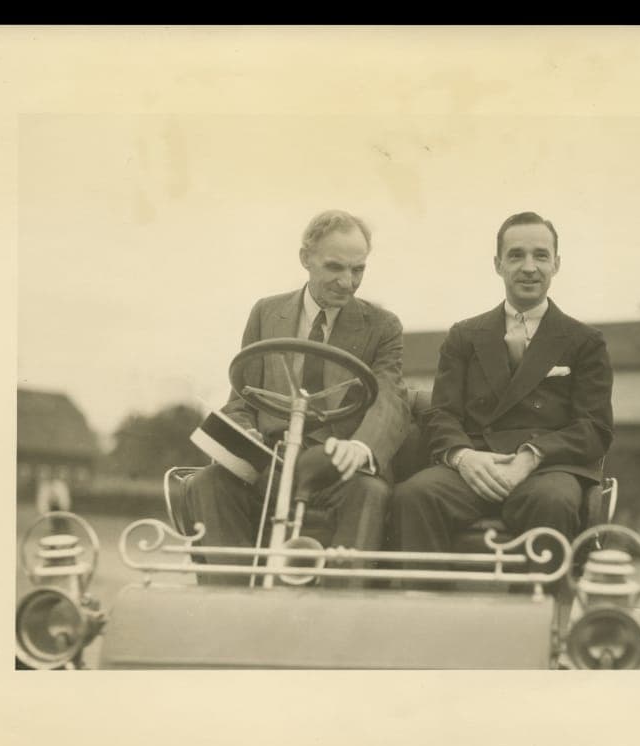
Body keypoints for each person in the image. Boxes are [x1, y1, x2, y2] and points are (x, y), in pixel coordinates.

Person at [184, 209, 411, 584]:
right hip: (270, 464)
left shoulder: (383, 327)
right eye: (334, 267)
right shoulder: (266, 313)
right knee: (207, 482)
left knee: (369, 491)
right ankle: (234, 604)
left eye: (358, 270)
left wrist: (361, 448)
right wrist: (245, 433)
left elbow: (390, 398)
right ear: (305, 258)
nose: (347, 282)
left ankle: (337, 616)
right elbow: (242, 397)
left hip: (338, 467)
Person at [390, 211, 613, 556]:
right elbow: (442, 413)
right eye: (516, 255)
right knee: (414, 496)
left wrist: (531, 457)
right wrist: (464, 457)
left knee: (554, 502)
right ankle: (424, 605)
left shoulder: (584, 341)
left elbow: (594, 427)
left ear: (556, 263)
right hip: (474, 467)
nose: (528, 267)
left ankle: (542, 610)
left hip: (547, 470)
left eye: (540, 255)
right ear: (497, 264)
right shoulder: (464, 336)